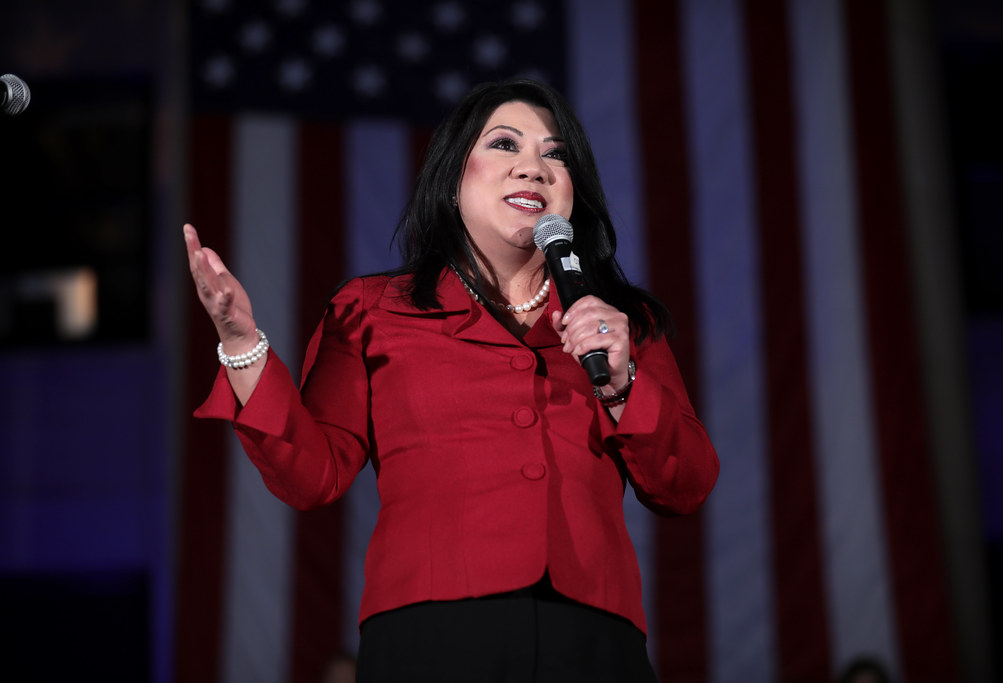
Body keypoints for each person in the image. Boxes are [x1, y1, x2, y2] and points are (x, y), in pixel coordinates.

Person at [184, 78, 719, 682]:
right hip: (429, 633)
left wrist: (621, 385)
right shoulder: (371, 310)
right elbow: (312, 474)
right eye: (505, 145)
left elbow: (686, 484)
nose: (534, 168)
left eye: (555, 153)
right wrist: (239, 340)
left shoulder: (621, 323)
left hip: (594, 634)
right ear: (453, 176)